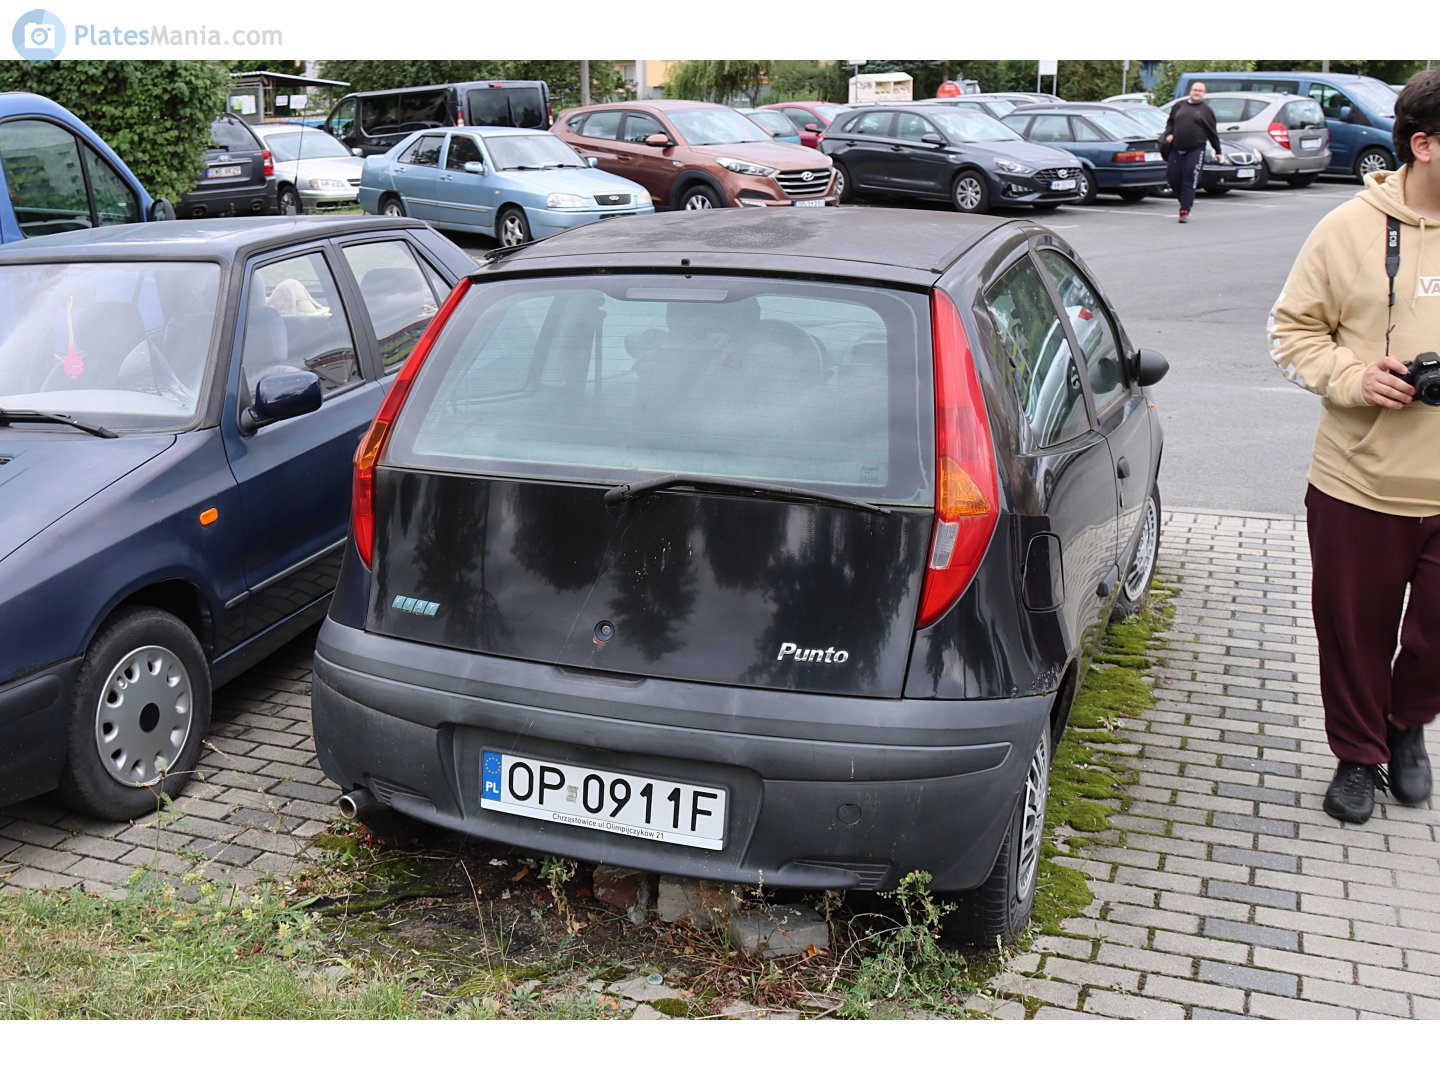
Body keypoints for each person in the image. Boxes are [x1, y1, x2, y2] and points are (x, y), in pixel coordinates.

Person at [1266, 69, 1440, 824]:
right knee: (1353, 633)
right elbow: (1293, 331)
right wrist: (1354, 376)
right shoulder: (1346, 229)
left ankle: (1407, 725)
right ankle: (1359, 752)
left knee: (1434, 643)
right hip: (1359, 481)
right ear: (1425, 144)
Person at [1164, 82, 1223, 223]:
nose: (1197, 93)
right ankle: (1183, 199)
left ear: (1204, 94)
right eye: (1195, 90)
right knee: (1172, 179)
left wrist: (1218, 150)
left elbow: (1212, 132)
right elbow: (1170, 122)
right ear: (1191, 91)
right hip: (1176, 148)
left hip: (1195, 149)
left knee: (1189, 178)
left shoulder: (1206, 110)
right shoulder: (1179, 106)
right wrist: (1169, 134)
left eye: (1200, 91)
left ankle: (1185, 210)